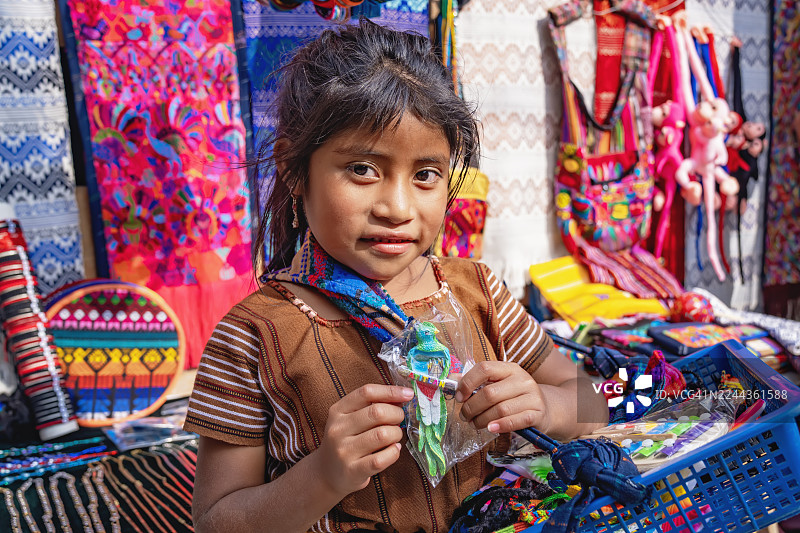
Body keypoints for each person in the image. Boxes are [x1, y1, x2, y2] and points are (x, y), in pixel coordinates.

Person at [185, 19, 608, 533]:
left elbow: (595, 400)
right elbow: (215, 521)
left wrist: (547, 404)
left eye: (426, 175)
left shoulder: (478, 290)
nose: (398, 208)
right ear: (295, 171)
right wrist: (324, 475)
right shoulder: (253, 336)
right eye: (363, 169)